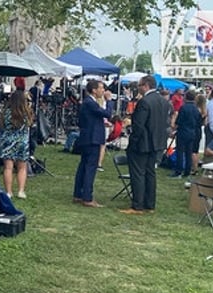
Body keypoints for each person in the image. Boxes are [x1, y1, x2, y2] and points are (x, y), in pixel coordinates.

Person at [121, 75, 170, 215]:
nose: (138, 88)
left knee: (138, 174)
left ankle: (137, 205)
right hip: (157, 143)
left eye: (140, 85)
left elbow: (139, 126)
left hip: (142, 143)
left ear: (146, 85)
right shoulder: (164, 101)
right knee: (150, 173)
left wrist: (133, 141)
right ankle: (150, 204)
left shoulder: (144, 102)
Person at [73, 79, 112, 208]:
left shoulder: (88, 102)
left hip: (87, 137)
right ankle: (87, 197)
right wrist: (109, 101)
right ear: (94, 90)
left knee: (83, 166)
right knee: (90, 167)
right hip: (92, 139)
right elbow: (107, 113)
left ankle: (78, 193)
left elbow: (91, 118)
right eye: (101, 88)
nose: (103, 90)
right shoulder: (90, 102)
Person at [0, 89, 33, 199]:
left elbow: (2, 126)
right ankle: (21, 191)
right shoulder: (27, 112)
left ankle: (9, 192)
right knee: (22, 168)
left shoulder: (6, 112)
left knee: (8, 168)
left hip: (8, 141)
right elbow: (30, 125)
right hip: (22, 142)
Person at [172, 90, 203, 179]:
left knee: (180, 152)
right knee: (189, 152)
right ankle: (187, 171)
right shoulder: (196, 109)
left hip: (183, 131)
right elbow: (199, 122)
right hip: (192, 132)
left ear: (186, 97)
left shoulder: (184, 108)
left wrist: (175, 127)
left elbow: (179, 121)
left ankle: (178, 171)